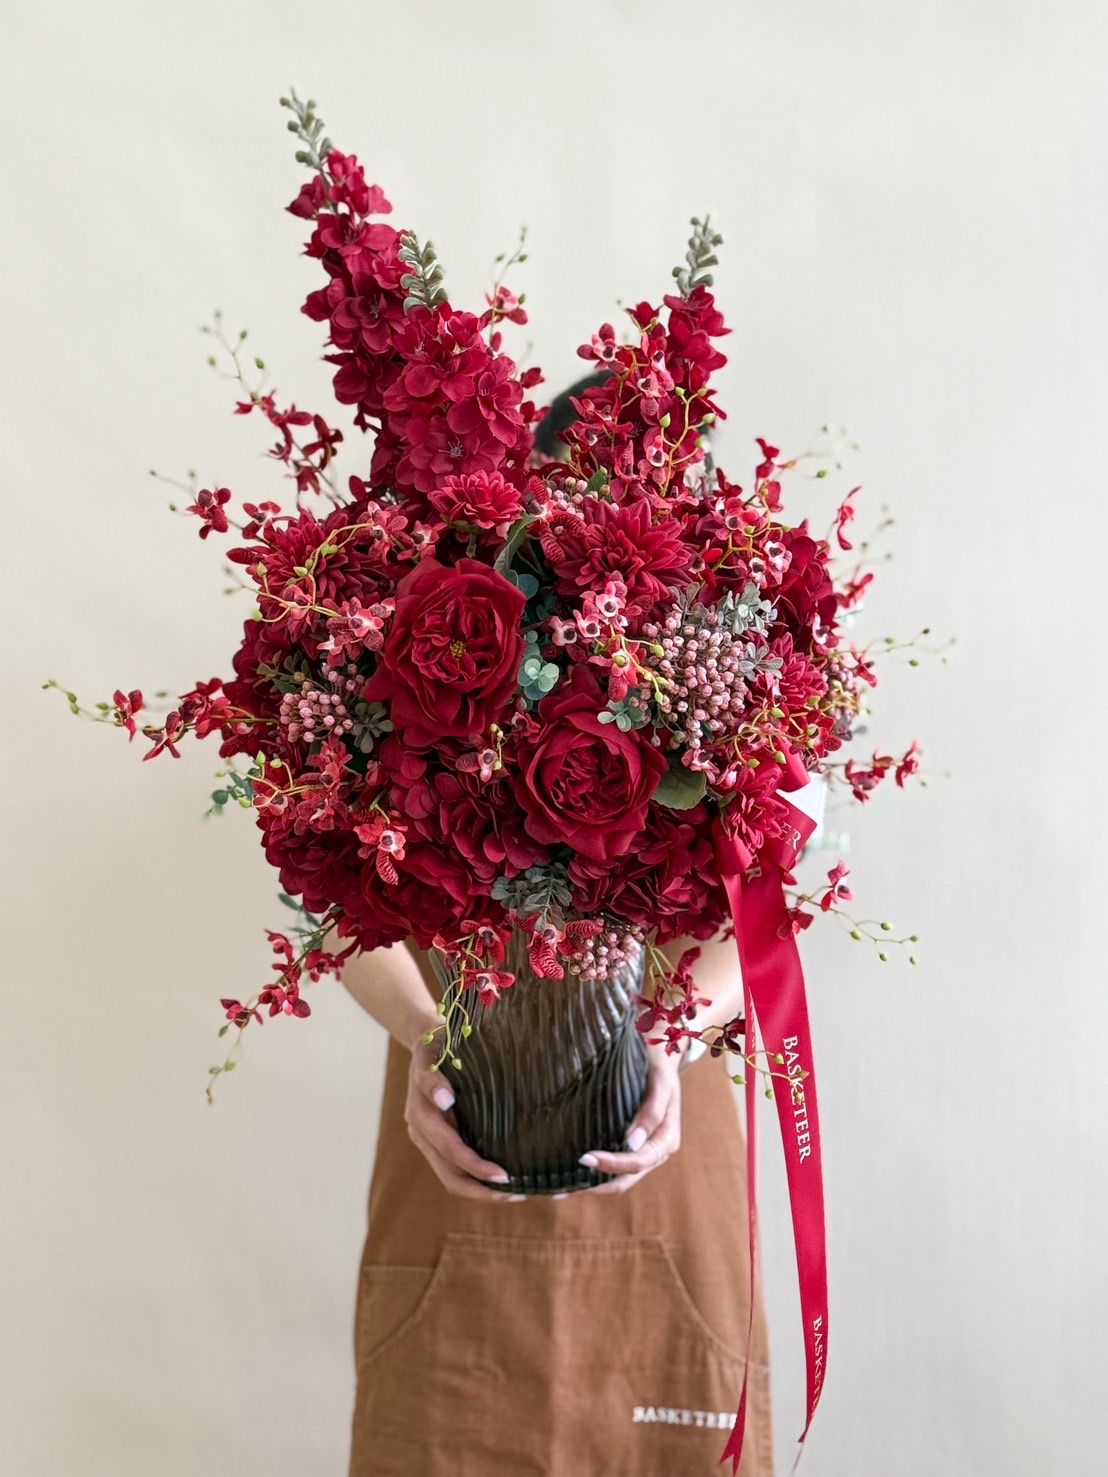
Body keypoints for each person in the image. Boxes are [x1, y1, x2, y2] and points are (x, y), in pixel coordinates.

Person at [341, 381, 774, 1477]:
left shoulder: (737, 700)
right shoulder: (418, 692)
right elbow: (340, 904)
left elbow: (767, 916)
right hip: (452, 1152)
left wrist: (668, 1039)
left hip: (670, 1155)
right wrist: (429, 1036)